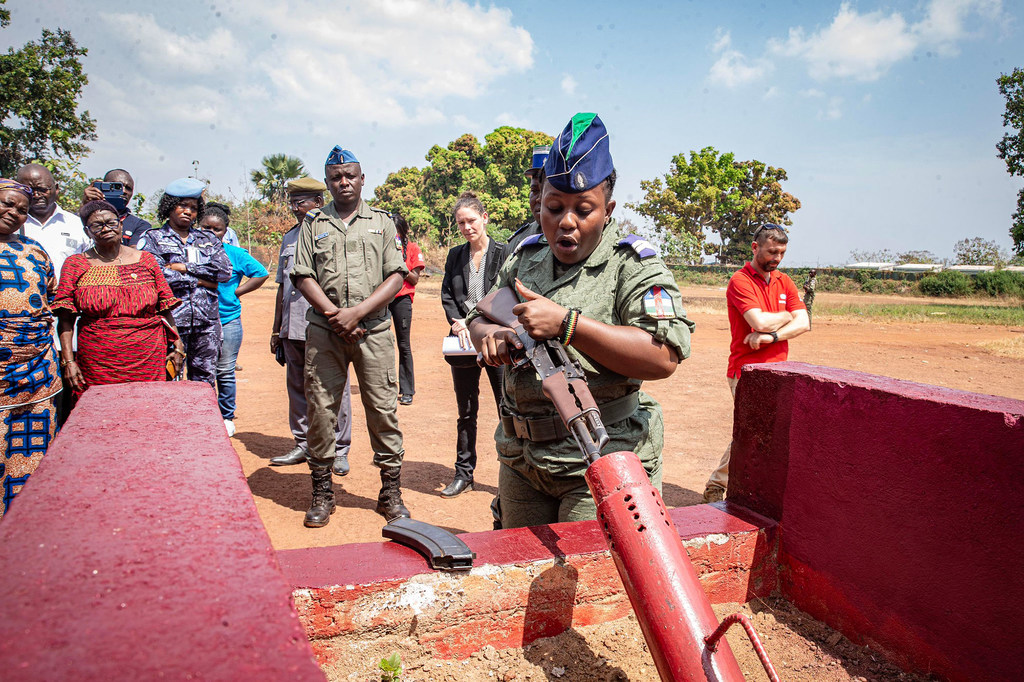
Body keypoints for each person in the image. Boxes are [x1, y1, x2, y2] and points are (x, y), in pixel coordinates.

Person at [468, 113, 694, 529]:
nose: (565, 222)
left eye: (582, 209)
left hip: (602, 455)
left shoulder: (634, 266)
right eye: (553, 208)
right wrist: (491, 335)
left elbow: (663, 357)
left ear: (608, 210)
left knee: (588, 582)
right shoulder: (525, 257)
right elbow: (479, 315)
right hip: (521, 458)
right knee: (518, 571)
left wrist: (569, 325)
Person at [291, 146, 410, 528]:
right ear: (327, 184)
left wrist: (357, 312)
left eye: (350, 176)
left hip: (373, 330)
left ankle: (390, 492)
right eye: (336, 177)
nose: (344, 182)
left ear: (362, 179)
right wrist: (336, 316)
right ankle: (323, 492)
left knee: (382, 410)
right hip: (325, 333)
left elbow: (397, 274)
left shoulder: (382, 221)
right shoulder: (314, 223)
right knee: (321, 411)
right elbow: (302, 274)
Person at [701, 224, 810, 503]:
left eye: (782, 253)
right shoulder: (740, 281)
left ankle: (734, 487)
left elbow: (805, 323)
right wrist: (787, 316)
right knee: (753, 432)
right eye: (772, 251)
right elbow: (758, 321)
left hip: (778, 371)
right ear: (755, 247)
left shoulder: (784, 281)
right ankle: (718, 485)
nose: (777, 258)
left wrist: (771, 335)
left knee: (760, 432)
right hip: (745, 372)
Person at [52, 200, 184, 399]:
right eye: (97, 225)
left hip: (147, 354)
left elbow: (165, 308)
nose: (105, 228)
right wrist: (69, 361)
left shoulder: (146, 260)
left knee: (147, 409)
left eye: (111, 223)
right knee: (99, 413)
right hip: (97, 359)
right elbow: (65, 319)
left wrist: (179, 347)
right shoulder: (76, 264)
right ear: (87, 231)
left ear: (121, 225)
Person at [270, 178, 353, 474]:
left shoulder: (332, 232)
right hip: (293, 325)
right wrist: (276, 329)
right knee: (297, 387)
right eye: (292, 202)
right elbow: (283, 287)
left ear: (318, 202)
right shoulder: (290, 237)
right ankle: (303, 443)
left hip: (324, 323)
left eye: (301, 202)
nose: (295, 208)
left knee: (335, 388)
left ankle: (339, 448)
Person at [0, 179, 63, 519]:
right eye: (7, 204)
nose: (14, 213)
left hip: (36, 372)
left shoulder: (35, 250)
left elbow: (51, 299)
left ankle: (25, 528)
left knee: (32, 457)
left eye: (22, 210)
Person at [440, 192, 508, 498]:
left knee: (506, 410)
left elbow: (508, 296)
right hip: (463, 342)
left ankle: (513, 475)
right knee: (465, 410)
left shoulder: (505, 253)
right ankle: (463, 474)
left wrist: (481, 323)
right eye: (461, 223)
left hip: (496, 342)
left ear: (485, 217)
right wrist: (458, 321)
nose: (467, 227)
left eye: (471, 220)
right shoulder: (456, 256)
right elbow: (446, 294)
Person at [139, 178, 231, 387]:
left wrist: (184, 268)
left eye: (193, 207)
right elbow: (157, 275)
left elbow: (224, 271)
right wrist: (203, 281)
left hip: (206, 324)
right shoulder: (152, 238)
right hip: (170, 324)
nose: (187, 211)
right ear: (170, 206)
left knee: (205, 384)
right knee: (168, 380)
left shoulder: (207, 239)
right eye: (182, 205)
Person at [198, 202, 268, 437]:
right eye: (205, 228)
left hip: (228, 320)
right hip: (198, 322)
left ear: (225, 231)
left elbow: (261, 273)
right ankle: (201, 415)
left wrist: (235, 293)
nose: (210, 233)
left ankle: (226, 416)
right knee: (199, 371)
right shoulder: (191, 253)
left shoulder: (234, 254)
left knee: (225, 370)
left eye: (216, 229)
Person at [15, 163, 89, 279]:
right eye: (29, 190)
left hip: (66, 295)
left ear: (57, 188)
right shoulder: (11, 224)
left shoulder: (78, 225)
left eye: (42, 189)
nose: (36, 195)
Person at [389, 213, 425, 405]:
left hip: (402, 299)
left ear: (404, 233)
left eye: (397, 233)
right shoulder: (383, 248)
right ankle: (384, 388)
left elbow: (414, 279)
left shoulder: (412, 249)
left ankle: (407, 389)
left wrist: (399, 263)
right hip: (383, 298)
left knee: (403, 344)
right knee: (380, 342)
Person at [82, 168, 152, 246]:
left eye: (128, 188)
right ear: (104, 187)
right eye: (118, 187)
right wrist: (86, 206)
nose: (124, 191)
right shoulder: (75, 219)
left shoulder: (140, 225)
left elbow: (135, 255)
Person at [506, 144, 549, 252]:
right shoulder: (518, 242)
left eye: (547, 191)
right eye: (534, 191)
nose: (539, 198)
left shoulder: (581, 239)